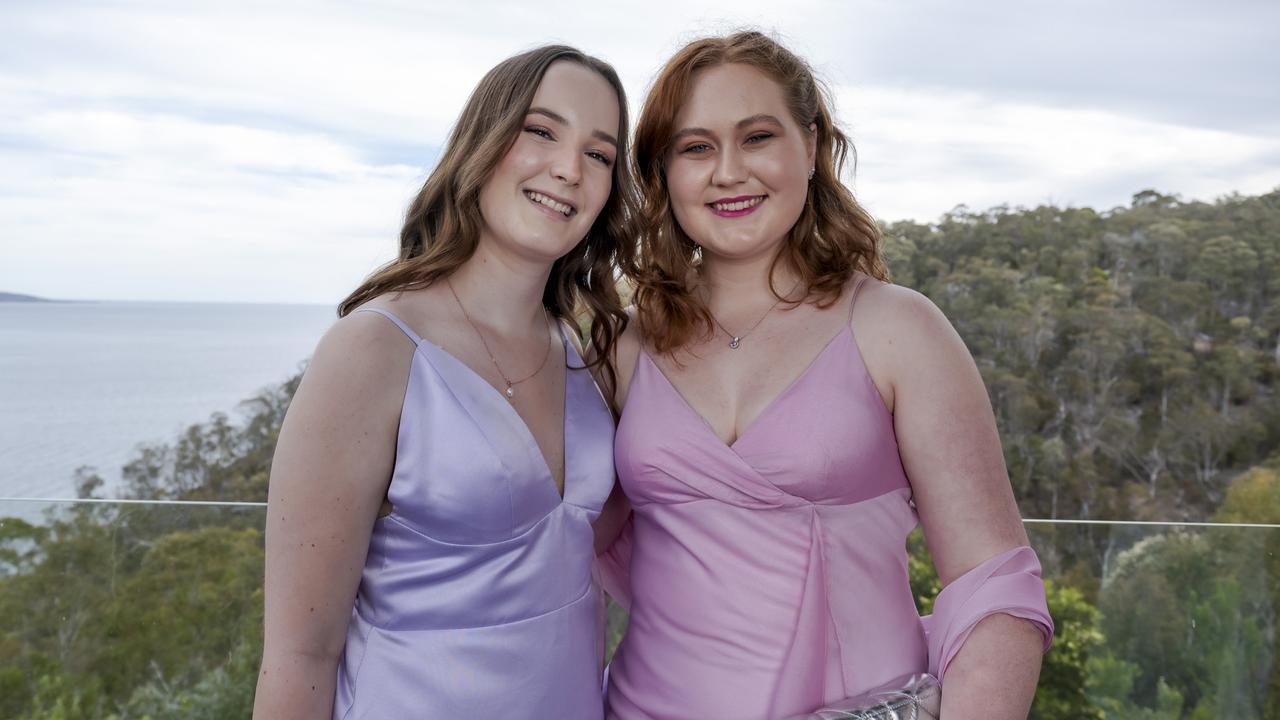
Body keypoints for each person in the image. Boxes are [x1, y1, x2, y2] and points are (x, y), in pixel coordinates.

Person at [597, 31, 1053, 719]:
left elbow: (995, 581)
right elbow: (551, 537)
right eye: (695, 147)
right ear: (663, 172)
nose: (728, 172)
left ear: (810, 147)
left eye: (757, 137)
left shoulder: (897, 329)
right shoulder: (627, 345)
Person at [253, 44, 635, 720]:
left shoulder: (586, 353)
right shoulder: (374, 349)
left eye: (599, 154)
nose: (568, 169)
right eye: (540, 131)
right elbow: (300, 654)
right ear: (482, 143)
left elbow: (568, 546)